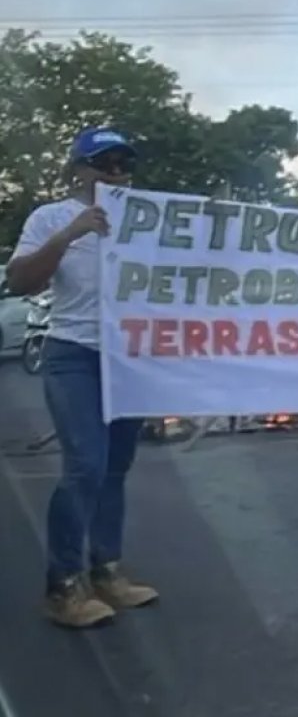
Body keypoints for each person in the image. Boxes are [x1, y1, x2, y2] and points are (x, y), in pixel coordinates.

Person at [5, 127, 159, 628]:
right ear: (78, 169)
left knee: (115, 468)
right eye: (103, 163)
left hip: (127, 357)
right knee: (86, 466)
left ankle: (106, 570)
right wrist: (69, 234)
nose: (115, 173)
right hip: (73, 354)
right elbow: (20, 280)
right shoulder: (50, 217)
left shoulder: (149, 221)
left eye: (123, 164)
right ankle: (64, 585)